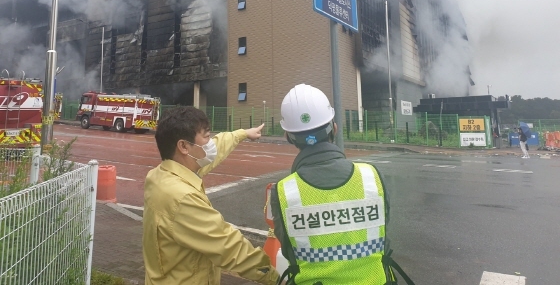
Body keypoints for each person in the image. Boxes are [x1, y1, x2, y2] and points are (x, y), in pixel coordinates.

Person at [270, 84, 413, 285]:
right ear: (334, 128)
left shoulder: (284, 191)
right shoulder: (371, 177)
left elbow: (288, 251)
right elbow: (383, 235)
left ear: (288, 137)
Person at [143, 106, 279, 285]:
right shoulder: (182, 197)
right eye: (206, 137)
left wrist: (242, 134)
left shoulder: (161, 175)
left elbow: (218, 144)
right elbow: (228, 247)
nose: (211, 144)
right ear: (184, 146)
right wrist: (276, 277)